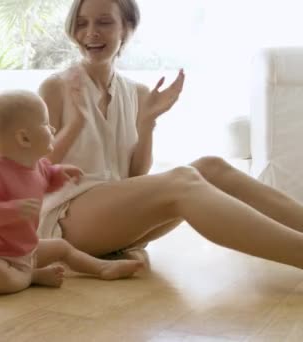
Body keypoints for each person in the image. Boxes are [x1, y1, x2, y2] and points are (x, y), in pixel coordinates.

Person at [36, 0, 303, 270]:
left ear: (126, 29)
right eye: (82, 23)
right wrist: (76, 124)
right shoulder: (56, 88)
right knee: (182, 180)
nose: (91, 32)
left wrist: (147, 122)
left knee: (211, 167)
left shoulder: (136, 93)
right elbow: (33, 174)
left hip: (110, 219)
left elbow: (133, 179)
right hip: (64, 219)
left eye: (104, 22)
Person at [0, 90, 144, 294]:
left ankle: (101, 267)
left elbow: (46, 181)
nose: (52, 128)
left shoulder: (39, 167)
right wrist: (12, 210)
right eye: (45, 124)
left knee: (61, 247)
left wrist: (59, 174)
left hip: (26, 250)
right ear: (25, 138)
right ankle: (32, 276)